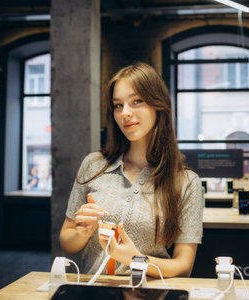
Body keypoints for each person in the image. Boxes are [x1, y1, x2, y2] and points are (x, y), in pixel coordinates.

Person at [60, 62, 203, 278]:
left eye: (137, 101)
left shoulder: (186, 182)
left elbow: (184, 266)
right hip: (96, 292)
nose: (125, 113)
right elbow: (67, 242)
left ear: (158, 105)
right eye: (118, 105)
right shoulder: (93, 165)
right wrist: (82, 232)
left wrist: (136, 260)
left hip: (150, 292)